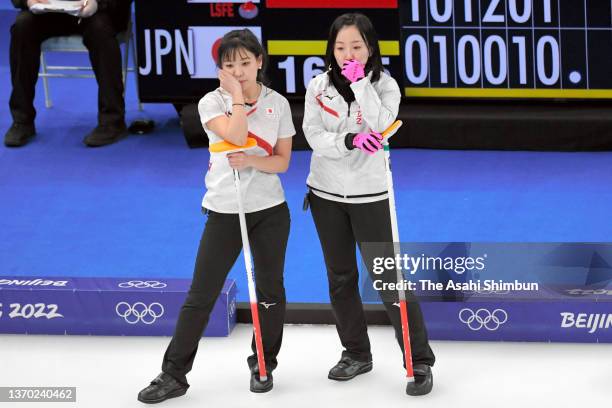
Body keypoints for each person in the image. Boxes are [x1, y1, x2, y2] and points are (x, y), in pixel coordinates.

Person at [137, 29, 295, 404]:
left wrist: (257, 161)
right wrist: (237, 98)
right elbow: (237, 137)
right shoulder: (211, 103)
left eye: (245, 63)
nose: (238, 71)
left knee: (270, 291)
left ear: (260, 61)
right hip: (225, 210)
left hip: (270, 210)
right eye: (229, 65)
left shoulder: (279, 104)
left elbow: (283, 162)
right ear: (219, 70)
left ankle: (263, 363)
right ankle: (174, 374)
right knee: (202, 293)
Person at [302, 13, 436, 396]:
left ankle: (419, 361)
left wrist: (361, 83)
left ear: (370, 48)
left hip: (371, 195)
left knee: (388, 279)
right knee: (340, 278)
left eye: (356, 46)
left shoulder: (386, 86)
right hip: (325, 195)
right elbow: (312, 134)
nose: (347, 53)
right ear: (330, 48)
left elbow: (379, 124)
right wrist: (346, 141)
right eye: (340, 46)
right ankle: (356, 353)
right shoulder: (318, 86)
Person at [5, 0, 132, 147]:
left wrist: (99, 4)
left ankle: (113, 122)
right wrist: (27, 1)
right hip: (50, 12)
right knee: (23, 25)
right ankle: (22, 121)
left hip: (97, 12)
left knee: (100, 29)